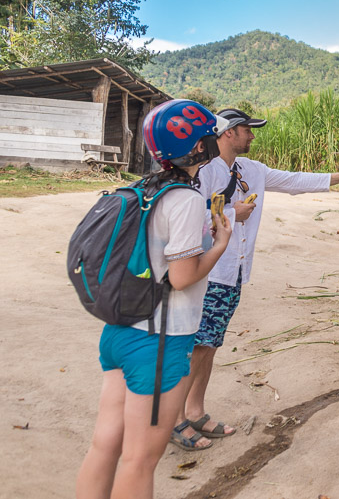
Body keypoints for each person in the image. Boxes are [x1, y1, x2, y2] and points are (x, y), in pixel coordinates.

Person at [171, 107, 339, 449]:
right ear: (229, 133)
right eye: (248, 129)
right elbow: (184, 214)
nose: (253, 136)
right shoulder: (202, 171)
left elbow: (294, 181)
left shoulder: (251, 170)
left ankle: (196, 410)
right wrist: (233, 212)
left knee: (210, 345)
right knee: (196, 347)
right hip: (208, 272)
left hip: (234, 272)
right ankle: (174, 421)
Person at [76, 100, 233, 499]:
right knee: (140, 460)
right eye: (209, 137)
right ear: (197, 148)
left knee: (104, 445)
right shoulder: (186, 200)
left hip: (119, 332)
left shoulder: (144, 188)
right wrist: (219, 245)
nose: (214, 141)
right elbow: (182, 279)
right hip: (160, 340)